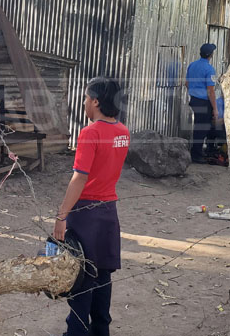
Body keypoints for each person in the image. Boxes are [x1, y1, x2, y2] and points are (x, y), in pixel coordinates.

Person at [53, 77, 129, 336]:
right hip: (109, 212)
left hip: (86, 212)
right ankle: (100, 329)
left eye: (87, 98)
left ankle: (75, 331)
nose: (85, 103)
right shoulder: (123, 132)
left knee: (81, 277)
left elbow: (80, 177)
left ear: (95, 101)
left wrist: (61, 214)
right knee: (103, 276)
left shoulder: (90, 133)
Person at [186, 43, 218, 163]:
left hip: (194, 100)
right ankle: (197, 155)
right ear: (210, 55)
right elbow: (211, 91)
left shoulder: (192, 65)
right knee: (202, 128)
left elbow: (187, 83)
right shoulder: (209, 69)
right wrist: (215, 108)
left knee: (200, 127)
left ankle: (198, 151)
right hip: (204, 102)